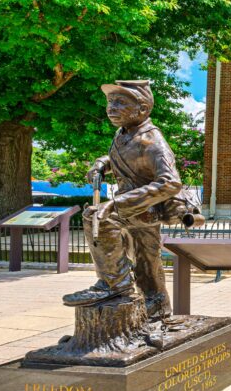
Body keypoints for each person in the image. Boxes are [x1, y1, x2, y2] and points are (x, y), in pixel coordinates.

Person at [62, 80, 198, 319]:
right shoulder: (124, 133)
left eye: (120, 102)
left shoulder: (152, 140)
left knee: (98, 217)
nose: (111, 108)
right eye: (110, 102)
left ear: (142, 109)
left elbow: (170, 182)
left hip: (144, 208)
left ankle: (115, 285)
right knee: (148, 262)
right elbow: (127, 157)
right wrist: (103, 163)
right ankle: (155, 304)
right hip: (130, 207)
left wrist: (116, 204)